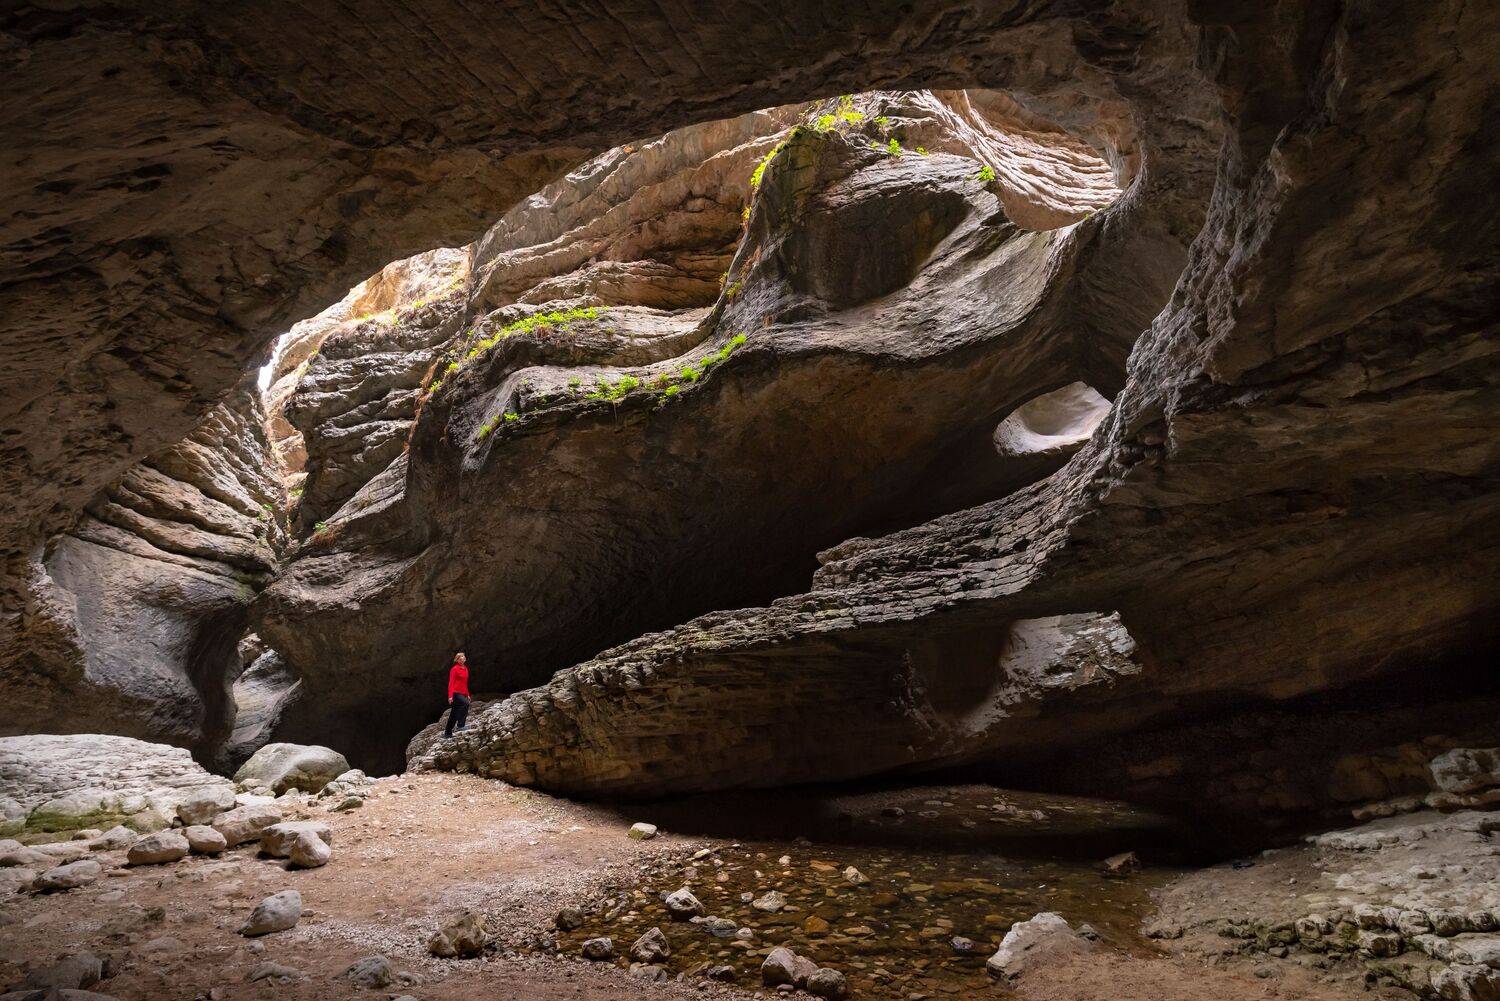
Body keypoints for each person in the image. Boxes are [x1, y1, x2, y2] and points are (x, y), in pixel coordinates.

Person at [444, 652, 471, 738]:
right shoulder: (454, 669)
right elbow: (451, 683)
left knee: (454, 713)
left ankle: (447, 733)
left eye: (463, 656)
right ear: (457, 660)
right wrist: (450, 696)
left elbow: (464, 683)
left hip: (462, 693)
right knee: (466, 703)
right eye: (460, 657)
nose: (462, 658)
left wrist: (467, 694)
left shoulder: (465, 669)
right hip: (455, 693)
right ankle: (460, 725)